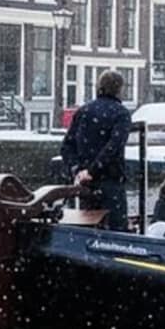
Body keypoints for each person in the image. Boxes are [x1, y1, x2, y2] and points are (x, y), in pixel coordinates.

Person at [59, 70, 131, 231]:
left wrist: (78, 169)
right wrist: (93, 170)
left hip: (85, 185)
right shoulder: (121, 113)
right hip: (111, 181)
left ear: (99, 87)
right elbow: (114, 146)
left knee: (86, 227)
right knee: (116, 231)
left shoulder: (83, 111)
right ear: (119, 90)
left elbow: (67, 146)